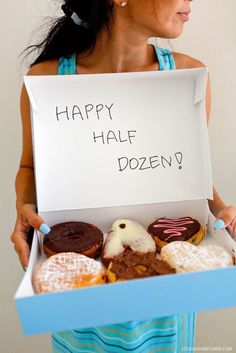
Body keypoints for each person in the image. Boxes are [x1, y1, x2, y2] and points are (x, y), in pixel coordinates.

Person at [11, 0, 236, 352]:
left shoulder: (188, 77)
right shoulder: (46, 81)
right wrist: (24, 209)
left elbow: (191, 177)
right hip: (79, 297)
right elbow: (28, 168)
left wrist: (221, 211)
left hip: (165, 304)